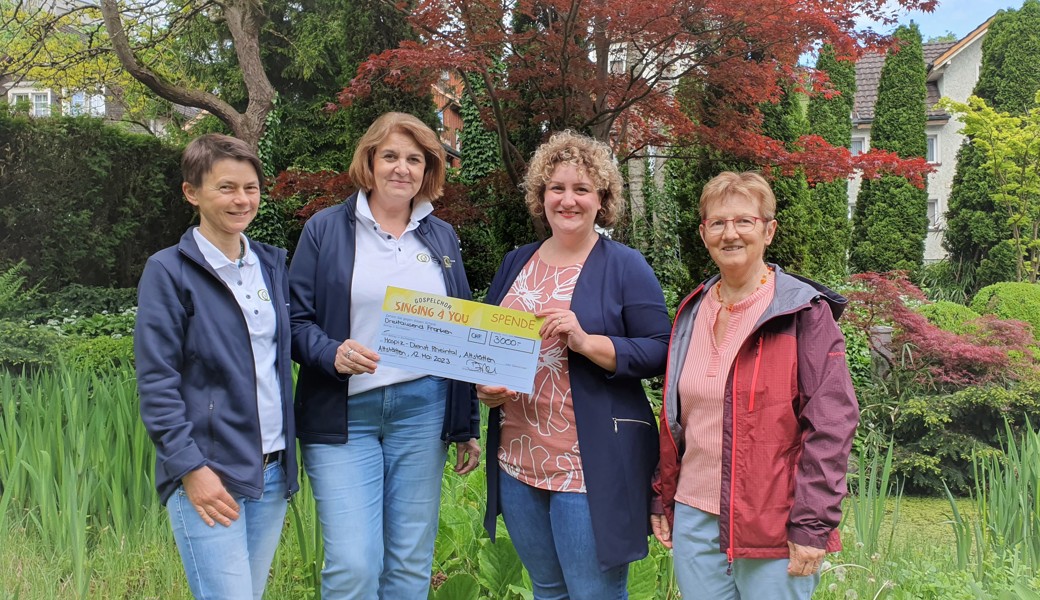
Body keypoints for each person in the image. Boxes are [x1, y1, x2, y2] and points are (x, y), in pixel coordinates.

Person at [288, 111, 481, 599]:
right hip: (343, 414)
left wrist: (465, 424)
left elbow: (459, 333)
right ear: (369, 162)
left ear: (428, 169)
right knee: (354, 563)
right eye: (390, 156)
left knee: (410, 562)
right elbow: (293, 322)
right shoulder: (325, 229)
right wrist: (331, 352)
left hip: (423, 410)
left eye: (415, 159)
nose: (402, 168)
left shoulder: (441, 236)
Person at [477, 130, 671, 599]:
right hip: (518, 460)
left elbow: (661, 349)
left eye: (582, 189)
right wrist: (485, 388)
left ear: (602, 199)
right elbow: (485, 346)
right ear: (540, 196)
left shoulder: (624, 265)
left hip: (588, 466)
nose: (568, 200)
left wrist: (586, 342)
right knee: (547, 590)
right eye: (557, 188)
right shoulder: (516, 262)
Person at [651, 171, 859, 599]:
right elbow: (675, 419)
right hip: (694, 517)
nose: (730, 233)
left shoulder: (804, 313)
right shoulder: (692, 311)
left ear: (769, 230)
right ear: (703, 233)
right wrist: (663, 495)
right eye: (718, 222)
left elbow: (831, 423)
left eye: (744, 221)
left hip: (774, 523)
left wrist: (812, 524)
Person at [134, 133, 298, 600]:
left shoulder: (270, 264)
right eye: (226, 187)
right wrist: (191, 468)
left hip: (271, 471)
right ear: (192, 192)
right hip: (210, 472)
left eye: (251, 188)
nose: (241, 200)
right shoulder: (169, 272)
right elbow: (157, 381)